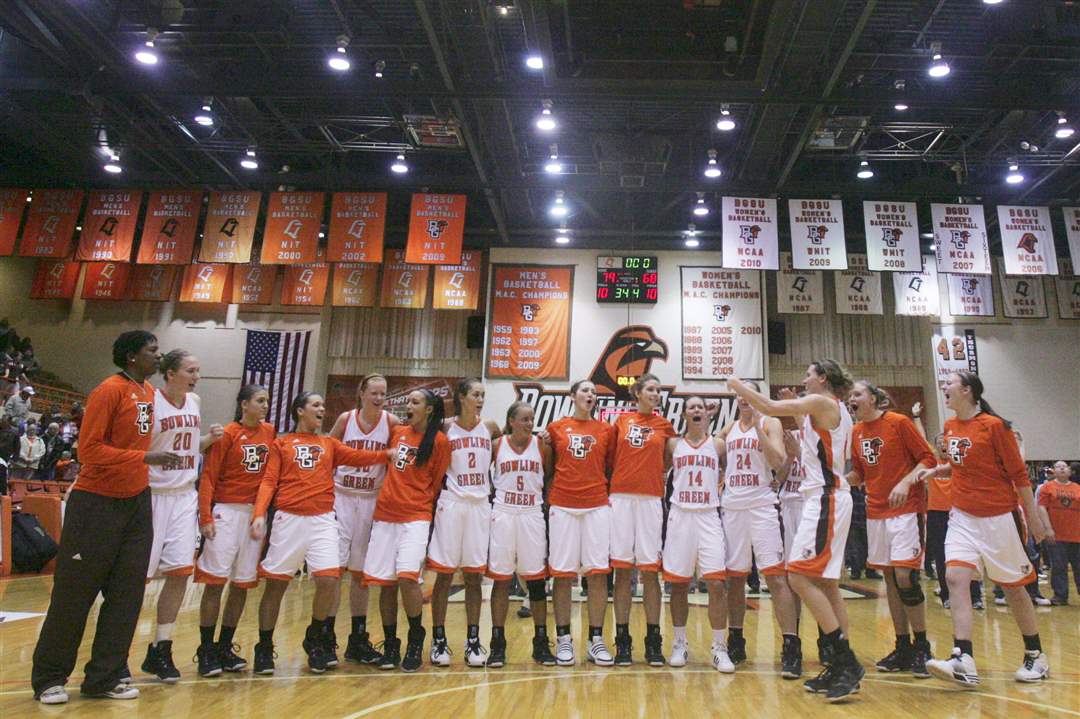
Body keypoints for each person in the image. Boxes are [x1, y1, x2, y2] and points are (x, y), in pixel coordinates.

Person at [31, 331, 181, 704]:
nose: (158, 356)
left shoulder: (147, 392)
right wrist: (142, 459)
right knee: (74, 595)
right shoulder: (109, 390)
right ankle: (49, 677)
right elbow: (89, 450)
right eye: (152, 351)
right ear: (132, 356)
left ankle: (106, 675)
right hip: (95, 504)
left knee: (127, 594)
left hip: (136, 503)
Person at [728, 361, 864, 702]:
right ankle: (840, 662)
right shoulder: (828, 411)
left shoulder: (824, 402)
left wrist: (736, 384)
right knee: (827, 584)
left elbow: (771, 408)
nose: (803, 379)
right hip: (824, 498)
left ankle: (846, 660)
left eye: (808, 374)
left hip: (826, 498)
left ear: (822, 379)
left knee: (798, 577)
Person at [920, 371, 1050, 686]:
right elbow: (966, 463)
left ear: (967, 391)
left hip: (998, 517)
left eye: (950, 382)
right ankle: (962, 657)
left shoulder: (994, 427)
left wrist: (1033, 518)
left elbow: (1018, 475)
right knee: (954, 577)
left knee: (1013, 587)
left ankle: (1035, 654)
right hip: (962, 516)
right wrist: (942, 469)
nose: (944, 387)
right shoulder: (950, 427)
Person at [250, 392, 389, 675]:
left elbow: (360, 455)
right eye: (316, 405)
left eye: (323, 405)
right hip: (289, 519)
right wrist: (258, 514)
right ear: (300, 411)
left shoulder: (329, 444)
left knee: (328, 579)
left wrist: (387, 454)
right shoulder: (282, 443)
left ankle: (314, 638)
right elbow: (268, 481)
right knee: (276, 585)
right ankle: (264, 646)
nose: (322, 409)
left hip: (323, 519)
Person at [140, 350, 223, 684]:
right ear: (170, 373)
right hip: (152, 496)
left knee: (178, 574)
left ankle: (161, 646)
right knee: (138, 578)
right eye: (190, 370)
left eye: (198, 370)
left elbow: (190, 446)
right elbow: (141, 449)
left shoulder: (195, 401)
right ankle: (116, 651)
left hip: (184, 496)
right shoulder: (150, 403)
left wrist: (209, 440)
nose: (196, 376)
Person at [847, 381, 936, 678]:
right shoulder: (856, 432)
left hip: (906, 509)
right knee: (889, 577)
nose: (852, 399)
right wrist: (841, 478)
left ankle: (922, 645)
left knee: (905, 575)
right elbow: (860, 472)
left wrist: (906, 481)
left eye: (857, 394)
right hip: (876, 511)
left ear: (874, 398)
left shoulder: (897, 422)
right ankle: (902, 646)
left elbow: (928, 458)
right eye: (850, 396)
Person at [362, 389, 451, 672]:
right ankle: (391, 644)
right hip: (386, 515)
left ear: (429, 410)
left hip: (415, 515)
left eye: (415, 402)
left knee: (407, 577)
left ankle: (415, 637)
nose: (408, 405)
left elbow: (436, 483)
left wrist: (418, 502)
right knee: (385, 583)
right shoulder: (397, 432)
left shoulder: (439, 441)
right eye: (408, 400)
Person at [718, 379, 801, 677]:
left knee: (776, 578)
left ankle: (791, 645)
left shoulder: (770, 423)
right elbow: (710, 454)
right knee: (735, 578)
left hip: (762, 506)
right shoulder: (727, 428)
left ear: (757, 397)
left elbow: (779, 460)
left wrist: (755, 428)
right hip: (732, 507)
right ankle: (736, 639)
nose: (743, 399)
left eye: (748, 394)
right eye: (739, 395)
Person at [193, 385, 276, 677]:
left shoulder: (270, 432)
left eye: (267, 401)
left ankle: (224, 647)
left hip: (254, 515)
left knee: (242, 584)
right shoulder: (227, 433)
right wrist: (205, 516)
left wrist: (260, 514)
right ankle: (205, 650)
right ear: (244, 404)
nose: (266, 405)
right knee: (216, 583)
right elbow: (208, 477)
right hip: (225, 512)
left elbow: (270, 478)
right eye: (260, 401)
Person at [427, 378, 502, 667]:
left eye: (483, 395)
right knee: (444, 575)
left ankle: (473, 640)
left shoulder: (492, 427)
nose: (480, 399)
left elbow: (513, 444)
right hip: (452, 503)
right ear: (461, 397)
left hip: (480, 505)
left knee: (473, 576)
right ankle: (439, 639)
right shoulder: (445, 426)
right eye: (475, 394)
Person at [327, 374, 400, 665]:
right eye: (374, 392)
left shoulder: (392, 423)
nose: (379, 398)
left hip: (371, 500)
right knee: (333, 571)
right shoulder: (346, 420)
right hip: (342, 497)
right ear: (361, 393)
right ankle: (325, 635)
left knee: (361, 575)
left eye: (383, 393)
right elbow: (326, 452)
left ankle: (357, 638)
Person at [543, 380, 617, 667]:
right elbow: (548, 467)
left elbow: (609, 467)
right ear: (572, 396)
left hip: (597, 506)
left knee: (597, 575)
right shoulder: (555, 428)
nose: (591, 394)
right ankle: (563, 639)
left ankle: (595, 640)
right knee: (562, 575)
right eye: (585, 390)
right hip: (563, 505)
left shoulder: (606, 431)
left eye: (594, 392)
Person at [608, 373, 676, 666]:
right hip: (621, 498)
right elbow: (609, 459)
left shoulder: (665, 426)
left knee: (650, 571)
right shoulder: (620, 423)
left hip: (650, 499)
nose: (655, 393)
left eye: (658, 389)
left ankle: (653, 640)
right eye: (650, 389)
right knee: (622, 571)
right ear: (637, 393)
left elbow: (669, 461)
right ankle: (622, 640)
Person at [663, 396, 734, 673]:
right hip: (680, 516)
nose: (696, 410)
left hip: (708, 515)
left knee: (716, 584)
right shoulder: (672, 444)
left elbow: (731, 468)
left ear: (707, 415)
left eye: (700, 407)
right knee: (679, 585)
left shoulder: (718, 445)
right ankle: (679, 642)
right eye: (691, 407)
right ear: (683, 414)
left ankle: (719, 646)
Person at [487, 401, 555, 667]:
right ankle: (497, 643)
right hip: (503, 513)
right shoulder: (496, 446)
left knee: (536, 582)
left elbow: (548, 475)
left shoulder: (542, 445)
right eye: (524, 419)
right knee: (501, 579)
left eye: (532, 419)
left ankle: (540, 642)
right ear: (511, 420)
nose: (529, 424)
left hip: (532, 513)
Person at [1037, 461, 1080, 605]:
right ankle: (1060, 596)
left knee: (1078, 566)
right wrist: (1048, 529)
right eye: (1058, 466)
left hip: (1076, 534)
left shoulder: (1077, 488)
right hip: (1056, 534)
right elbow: (1041, 508)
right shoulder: (1047, 487)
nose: (1062, 468)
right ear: (1053, 471)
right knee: (1059, 566)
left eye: (1064, 466)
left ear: (1069, 471)